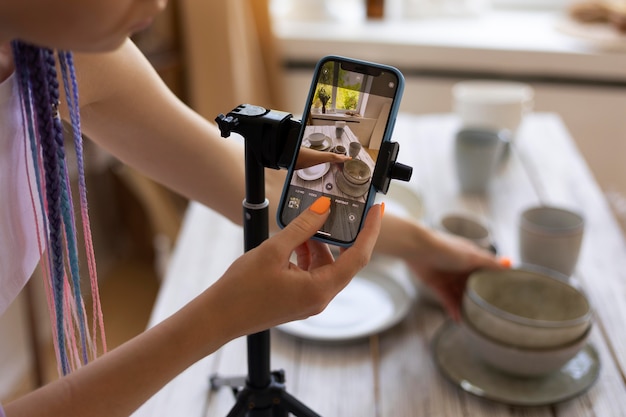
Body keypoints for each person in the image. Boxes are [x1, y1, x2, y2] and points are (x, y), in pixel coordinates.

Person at [0, 0, 504, 415]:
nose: (159, 4)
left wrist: (427, 248)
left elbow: (228, 174)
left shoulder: (67, 54)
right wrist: (222, 317)